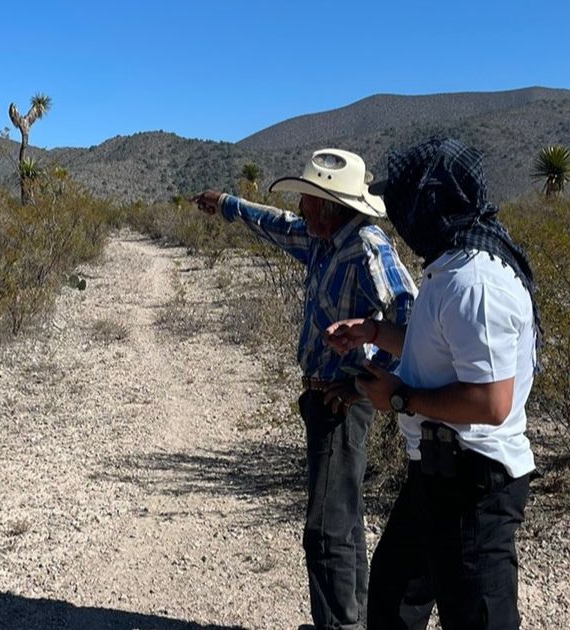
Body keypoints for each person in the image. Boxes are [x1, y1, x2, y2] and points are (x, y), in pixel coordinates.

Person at [193, 149, 417, 630]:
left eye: (309, 199)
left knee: (325, 529)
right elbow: (273, 223)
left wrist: (363, 384)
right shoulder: (322, 241)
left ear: (331, 206)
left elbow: (412, 322)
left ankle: (338, 626)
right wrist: (227, 203)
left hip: (342, 401)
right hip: (322, 398)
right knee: (343, 518)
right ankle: (353, 621)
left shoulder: (367, 248)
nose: (300, 206)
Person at [325, 138, 539, 630]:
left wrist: (399, 397)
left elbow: (491, 401)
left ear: (428, 205)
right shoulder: (454, 268)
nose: (399, 219)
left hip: (475, 484)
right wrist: (375, 332)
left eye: (403, 205)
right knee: (394, 600)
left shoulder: (474, 283)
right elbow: (438, 347)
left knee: (476, 618)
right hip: (436, 475)